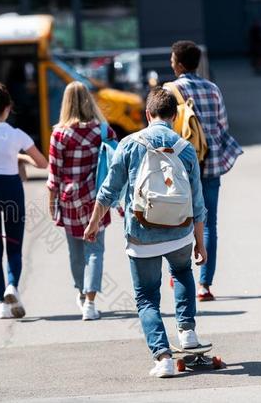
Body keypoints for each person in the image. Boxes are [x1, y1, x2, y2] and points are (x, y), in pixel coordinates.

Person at [84, 87, 207, 378]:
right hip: (179, 230)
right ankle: (187, 331)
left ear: (147, 114)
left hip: (141, 233)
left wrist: (92, 224)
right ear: (175, 116)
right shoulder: (186, 148)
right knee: (182, 273)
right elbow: (198, 202)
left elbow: (108, 191)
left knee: (147, 297)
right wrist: (200, 243)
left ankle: (163, 357)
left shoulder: (129, 144)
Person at [168, 40, 243, 301]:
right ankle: (204, 285)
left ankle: (179, 277)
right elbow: (223, 125)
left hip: (180, 169)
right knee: (209, 224)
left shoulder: (170, 90)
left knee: (178, 222)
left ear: (177, 63)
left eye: (172, 58)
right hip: (210, 165)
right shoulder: (212, 89)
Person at [0, 81, 48, 319]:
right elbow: (43, 163)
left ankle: (1, 305)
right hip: (12, 190)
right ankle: (12, 286)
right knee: (14, 247)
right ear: (9, 108)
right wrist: (19, 158)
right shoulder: (17, 135)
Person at [47, 81, 117, 321]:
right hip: (98, 198)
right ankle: (90, 301)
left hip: (70, 199)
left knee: (75, 252)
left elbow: (54, 173)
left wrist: (51, 203)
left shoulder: (59, 134)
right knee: (95, 250)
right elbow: (116, 164)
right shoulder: (104, 130)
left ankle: (80, 292)